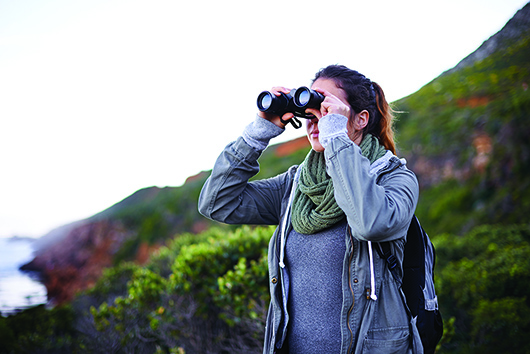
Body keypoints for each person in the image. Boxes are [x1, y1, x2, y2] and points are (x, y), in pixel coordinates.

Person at [198, 64, 421, 354]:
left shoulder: (394, 178)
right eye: (311, 109)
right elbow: (217, 202)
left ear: (361, 118)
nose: (316, 120)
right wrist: (257, 134)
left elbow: (371, 223)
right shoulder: (295, 186)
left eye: (326, 108)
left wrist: (336, 139)